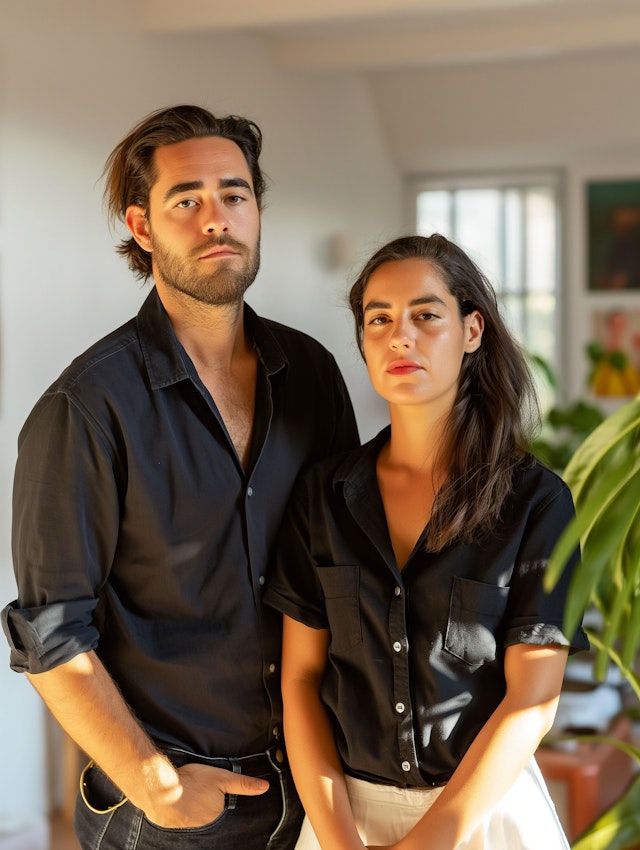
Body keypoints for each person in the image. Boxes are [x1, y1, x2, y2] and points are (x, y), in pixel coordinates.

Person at [1, 104, 359, 850]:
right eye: (186, 200)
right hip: (173, 809)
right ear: (142, 227)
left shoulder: (313, 377)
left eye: (234, 195)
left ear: (258, 210)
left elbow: (344, 563)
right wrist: (157, 786)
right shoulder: (87, 408)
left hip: (316, 783)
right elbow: (50, 634)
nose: (216, 218)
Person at [264, 234, 589, 850]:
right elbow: (301, 680)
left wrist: (431, 840)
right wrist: (338, 841)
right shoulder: (321, 498)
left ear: (472, 331)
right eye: (378, 319)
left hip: (485, 814)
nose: (399, 337)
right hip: (344, 821)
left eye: (425, 316)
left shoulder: (536, 502)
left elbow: (533, 699)